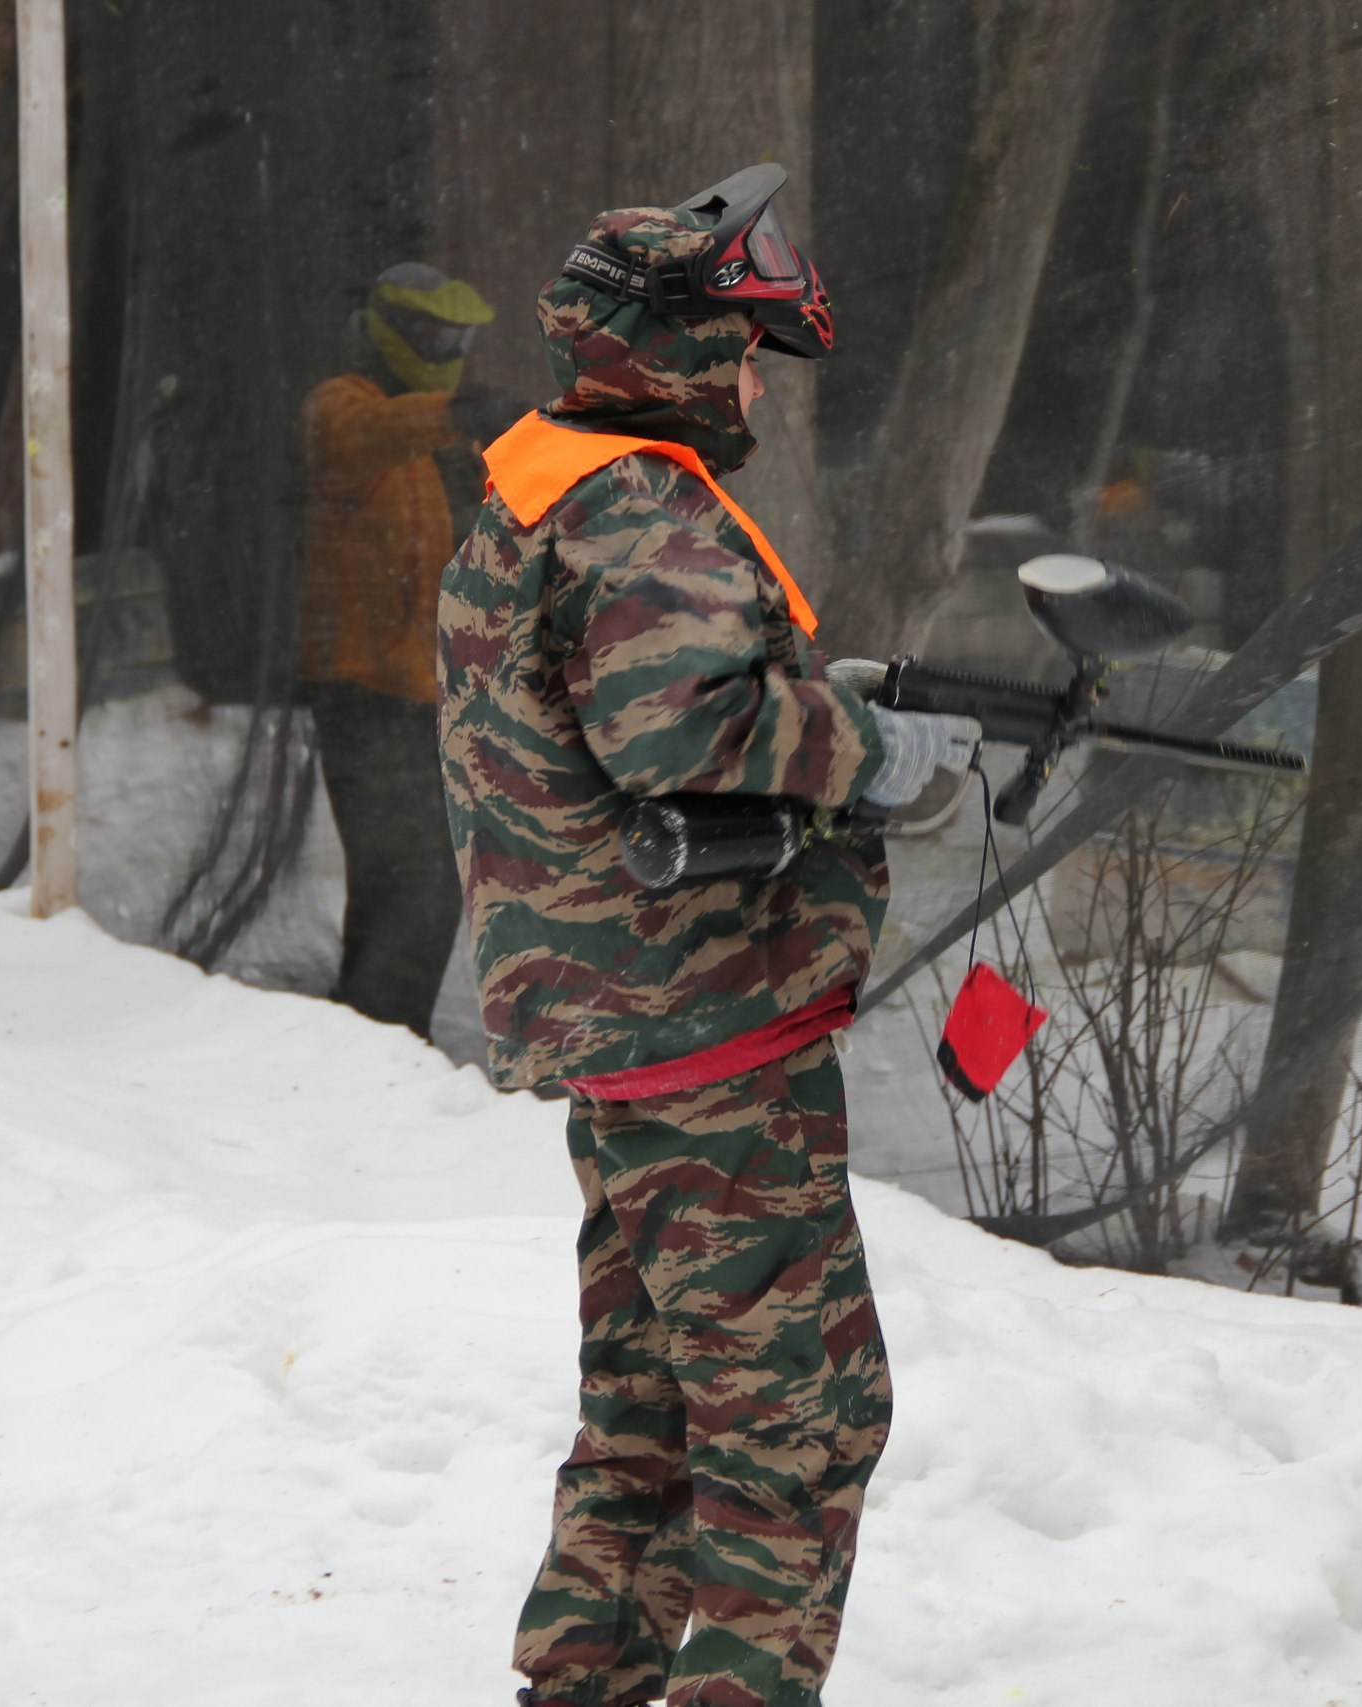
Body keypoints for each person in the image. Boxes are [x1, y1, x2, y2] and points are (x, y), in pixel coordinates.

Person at [436, 168, 970, 1707]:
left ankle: (582, 1684)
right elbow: (681, 725)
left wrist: (822, 688)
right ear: (664, 348)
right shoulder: (640, 502)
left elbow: (623, 697)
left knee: (654, 1408)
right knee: (797, 1424)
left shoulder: (539, 479)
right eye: (737, 350)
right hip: (704, 1030)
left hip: (618, 1021)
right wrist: (878, 751)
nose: (750, 382)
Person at [301, 262, 515, 1037]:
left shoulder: (427, 436)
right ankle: (376, 1041)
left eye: (457, 336)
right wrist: (460, 409)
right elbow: (368, 435)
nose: (447, 346)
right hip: (360, 694)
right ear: (387, 329)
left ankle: (374, 1042)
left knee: (417, 882)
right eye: (433, 334)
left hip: (419, 695)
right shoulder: (343, 407)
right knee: (411, 881)